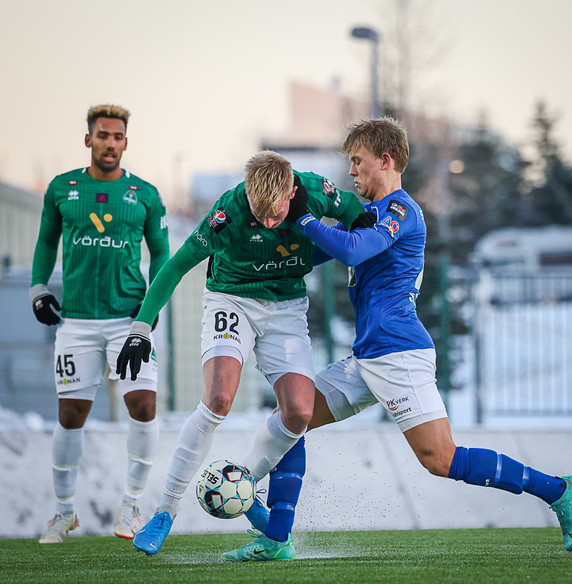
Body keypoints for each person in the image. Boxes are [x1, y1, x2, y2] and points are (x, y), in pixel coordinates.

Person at [221, 117, 572, 562]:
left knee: (442, 460)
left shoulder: (401, 210)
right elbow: (315, 253)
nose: (352, 171)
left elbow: (351, 249)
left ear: (385, 160)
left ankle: (558, 491)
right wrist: (260, 248)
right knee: (291, 419)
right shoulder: (368, 216)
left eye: (357, 160)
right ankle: (277, 538)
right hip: (368, 358)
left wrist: (306, 217)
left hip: (399, 353)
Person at [116, 150, 370, 556]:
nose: (268, 223)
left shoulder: (316, 190)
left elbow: (354, 208)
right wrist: (140, 328)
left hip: (287, 307)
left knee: (299, 413)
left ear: (291, 192)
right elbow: (176, 267)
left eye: (276, 214)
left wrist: (360, 231)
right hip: (231, 299)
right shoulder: (228, 213)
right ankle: (165, 511)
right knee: (219, 398)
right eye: (259, 213)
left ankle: (243, 486)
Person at [31, 104, 170, 544]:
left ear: (126, 142)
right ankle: (63, 512)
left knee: (143, 405)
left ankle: (131, 506)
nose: (110, 143)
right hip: (76, 321)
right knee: (71, 414)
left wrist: (149, 309)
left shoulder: (145, 194)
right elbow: (46, 241)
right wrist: (37, 287)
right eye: (103, 135)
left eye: (118, 136)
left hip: (128, 320)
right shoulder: (62, 188)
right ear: (88, 139)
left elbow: (162, 254)